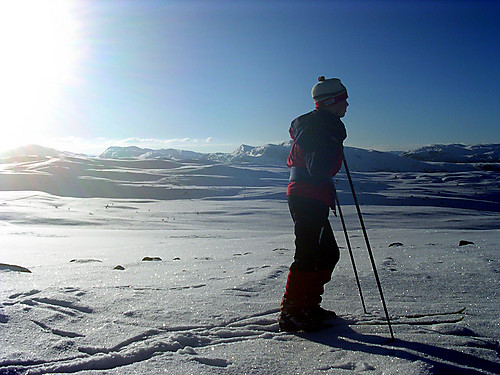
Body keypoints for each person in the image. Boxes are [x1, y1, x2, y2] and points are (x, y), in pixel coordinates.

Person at [279, 76, 348, 332]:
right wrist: (332, 143)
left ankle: (307, 305)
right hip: (309, 195)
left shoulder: (315, 124)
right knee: (309, 253)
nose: (347, 105)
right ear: (331, 102)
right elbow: (318, 166)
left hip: (308, 195)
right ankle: (293, 312)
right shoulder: (322, 127)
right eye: (343, 99)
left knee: (327, 253)